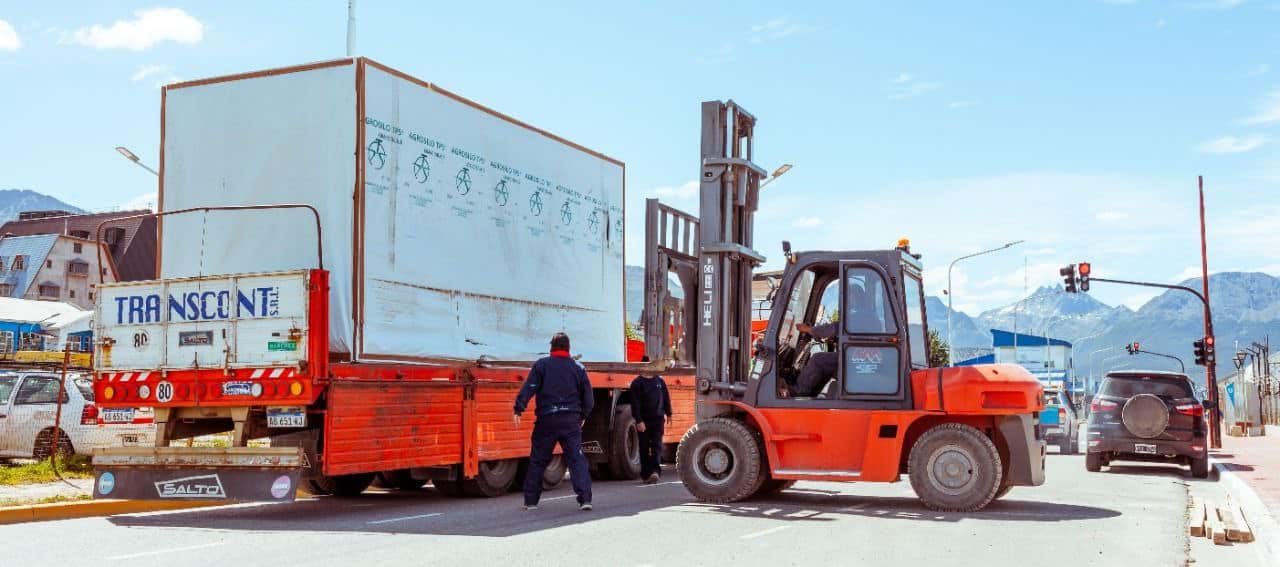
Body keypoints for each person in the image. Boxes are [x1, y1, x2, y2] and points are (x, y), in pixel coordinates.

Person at [513, 332, 594, 511]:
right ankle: (585, 500)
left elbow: (530, 387)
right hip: (570, 420)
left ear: (551, 347)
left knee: (538, 460)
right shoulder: (578, 368)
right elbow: (588, 398)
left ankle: (531, 502)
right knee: (576, 460)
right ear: (568, 348)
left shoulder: (541, 365)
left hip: (547, 420)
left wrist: (519, 408)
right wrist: (582, 416)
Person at [629, 356, 672, 484]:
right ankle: (646, 474)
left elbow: (665, 398)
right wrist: (638, 421)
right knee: (643, 447)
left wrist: (669, 414)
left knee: (657, 446)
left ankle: (655, 472)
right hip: (644, 421)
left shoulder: (660, 381)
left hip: (658, 419)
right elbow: (635, 404)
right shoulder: (637, 383)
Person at [793, 322, 838, 397]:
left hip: (855, 359)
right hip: (855, 357)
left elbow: (834, 328)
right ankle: (811, 395)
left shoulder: (853, 317)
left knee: (818, 360)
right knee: (825, 367)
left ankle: (798, 392)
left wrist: (807, 329)